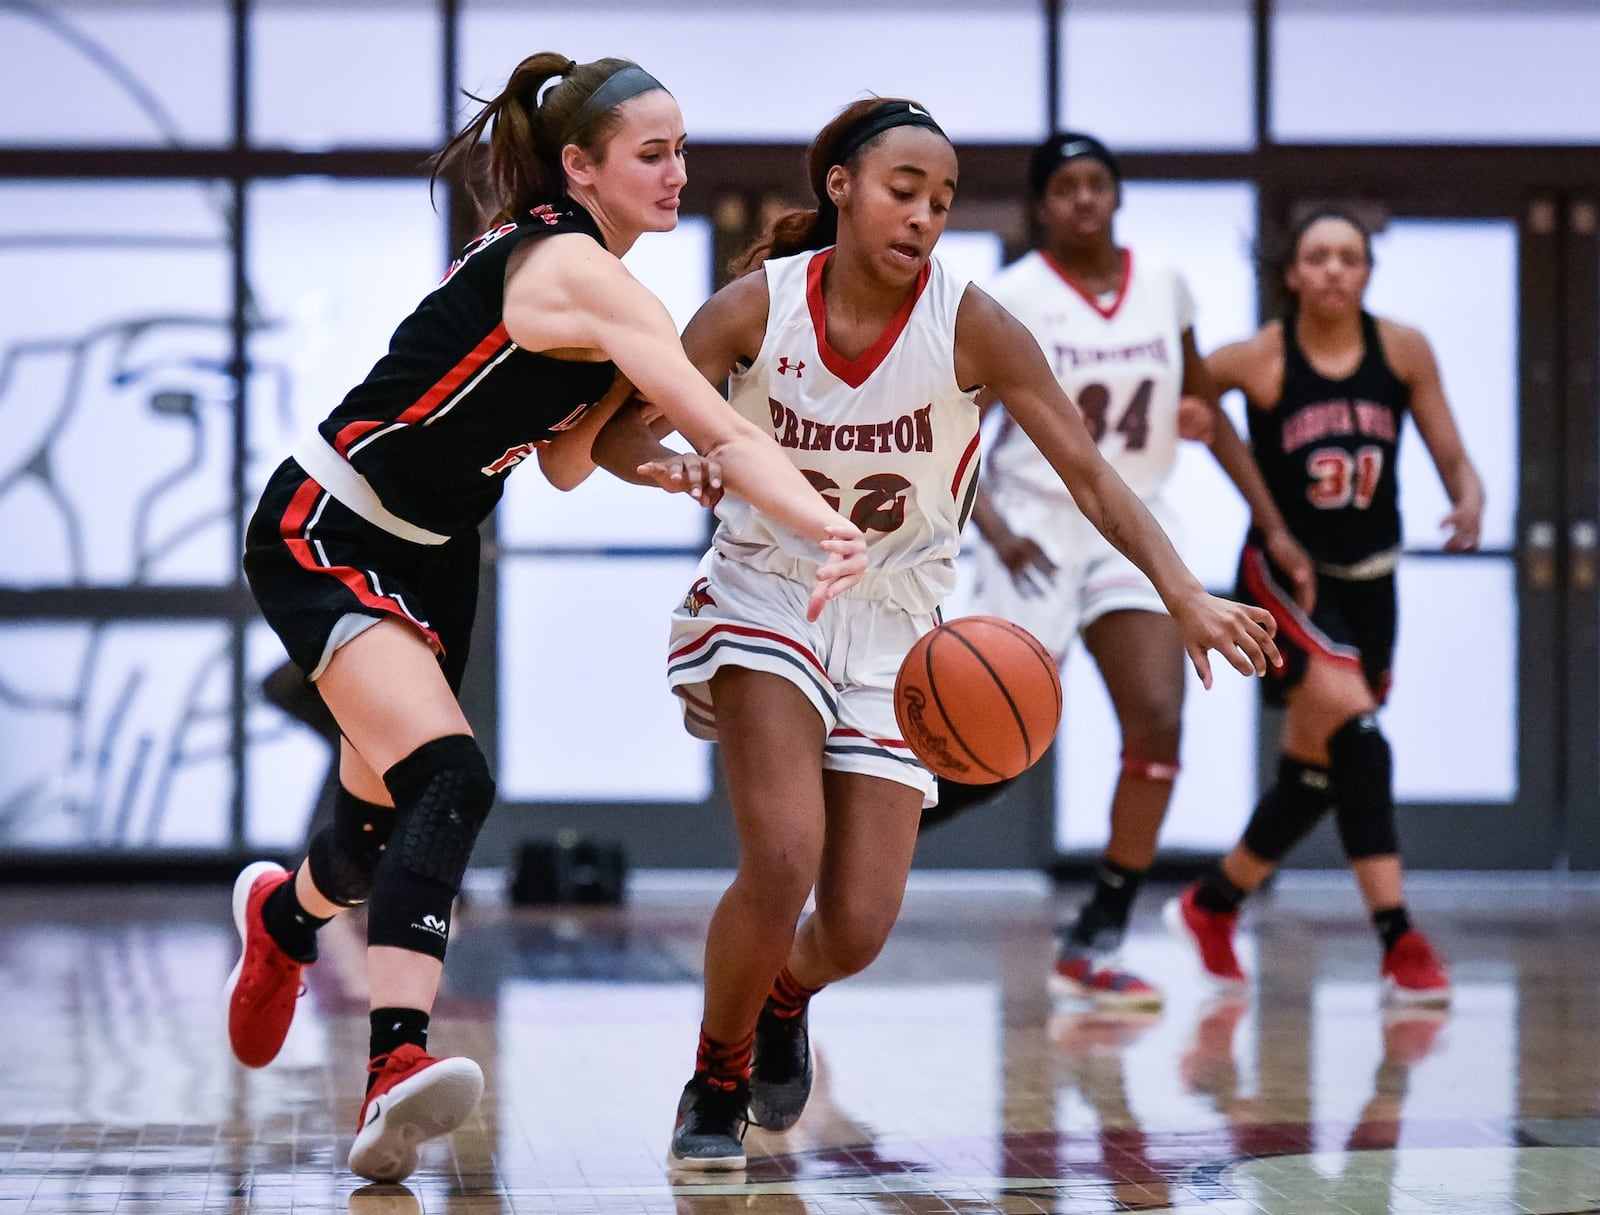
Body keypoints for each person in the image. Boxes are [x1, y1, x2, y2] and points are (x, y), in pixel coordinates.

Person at [589, 98, 1282, 1172]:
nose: (923, 217)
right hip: (770, 588)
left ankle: (785, 990)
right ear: (843, 190)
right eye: (902, 191)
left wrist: (1182, 591)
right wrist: (668, 463)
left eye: (942, 201)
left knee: (857, 928)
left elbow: (1090, 475)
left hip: (898, 617)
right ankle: (716, 1074)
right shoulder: (751, 308)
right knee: (782, 854)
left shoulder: (974, 322)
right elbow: (615, 432)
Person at [223, 52, 870, 1185]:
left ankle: (283, 920)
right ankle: (393, 1067)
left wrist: (661, 469)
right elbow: (731, 431)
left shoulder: (618, 291)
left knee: (376, 834)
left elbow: (569, 461)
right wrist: (826, 523)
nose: (678, 174)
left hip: (436, 555)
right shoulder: (569, 263)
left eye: (684, 152)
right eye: (653, 154)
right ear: (580, 166)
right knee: (452, 781)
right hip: (330, 522)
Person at [920, 132, 1316, 1012]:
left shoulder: (1165, 283)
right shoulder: (1010, 296)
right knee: (993, 750)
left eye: (1098, 183)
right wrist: (986, 519)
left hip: (1134, 524)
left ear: (1118, 195)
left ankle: (1099, 929)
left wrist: (1273, 521)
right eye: (1066, 187)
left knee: (1159, 716)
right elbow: (954, 424)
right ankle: (862, 846)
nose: (1085, 199)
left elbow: (1205, 407)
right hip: (1035, 529)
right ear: (1042, 205)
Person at [1165, 209, 1484, 1006]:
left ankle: (1214, 902)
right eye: (1319, 256)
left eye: (1350, 256)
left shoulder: (1402, 348)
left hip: (1372, 582)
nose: (1336, 269)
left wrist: (1468, 495)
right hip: (1288, 578)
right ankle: (1399, 941)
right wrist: (1217, 446)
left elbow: (1450, 450)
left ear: (1368, 271)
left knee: (1317, 771)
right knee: (1363, 738)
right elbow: (1189, 395)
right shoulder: (1263, 356)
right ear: (1294, 273)